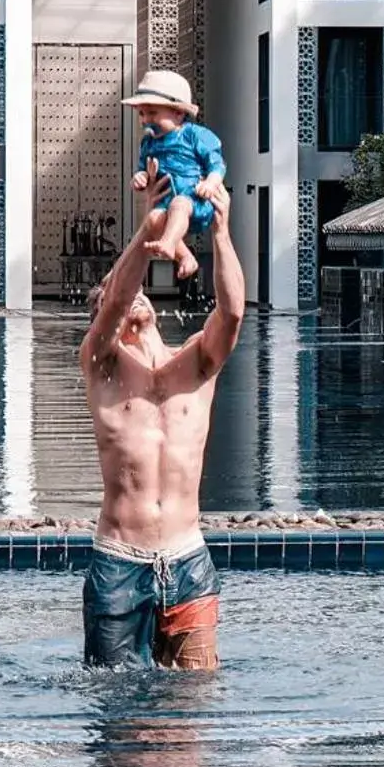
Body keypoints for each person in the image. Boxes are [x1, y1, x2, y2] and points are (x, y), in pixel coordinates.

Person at [78, 168, 245, 671]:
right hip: (118, 563)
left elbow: (233, 312)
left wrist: (219, 230)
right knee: (115, 711)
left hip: (189, 561)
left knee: (194, 708)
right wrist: (148, 232)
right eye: (120, 291)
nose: (135, 295)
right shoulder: (100, 365)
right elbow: (115, 300)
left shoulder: (195, 364)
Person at [121, 70, 224, 281]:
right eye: (141, 114)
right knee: (153, 218)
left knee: (179, 203)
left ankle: (167, 243)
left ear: (178, 113)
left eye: (152, 114)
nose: (145, 120)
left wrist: (211, 184)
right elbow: (142, 168)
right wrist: (139, 178)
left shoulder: (193, 135)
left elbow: (216, 164)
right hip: (165, 205)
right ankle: (186, 257)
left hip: (195, 200)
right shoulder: (149, 143)